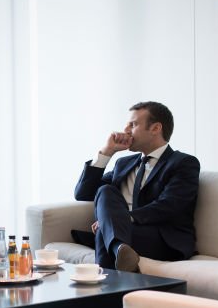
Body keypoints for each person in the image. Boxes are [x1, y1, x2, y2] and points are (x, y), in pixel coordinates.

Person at [74, 101, 199, 272]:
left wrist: (118, 219)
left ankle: (107, 280)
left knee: (105, 230)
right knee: (105, 191)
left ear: (155, 128)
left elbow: (169, 206)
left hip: (161, 238)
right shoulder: (123, 164)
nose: (125, 130)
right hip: (126, 232)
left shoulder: (183, 163)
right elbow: (84, 193)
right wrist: (107, 152)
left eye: (132, 124)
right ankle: (119, 250)